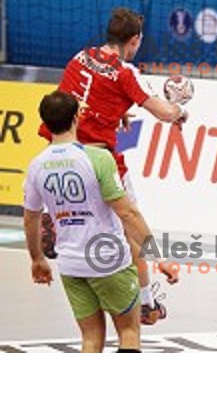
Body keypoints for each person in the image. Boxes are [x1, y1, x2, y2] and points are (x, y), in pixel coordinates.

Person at [38, 7, 183, 324]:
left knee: (87, 226)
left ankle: (56, 221)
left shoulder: (80, 57)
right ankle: (146, 304)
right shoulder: (126, 72)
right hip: (99, 160)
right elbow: (164, 112)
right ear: (133, 40)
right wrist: (180, 109)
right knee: (130, 226)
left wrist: (116, 111)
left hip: (60, 154)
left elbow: (72, 102)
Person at [24, 91, 161, 352]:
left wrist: (37, 259)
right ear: (77, 117)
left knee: (90, 339)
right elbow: (128, 214)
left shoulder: (37, 166)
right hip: (108, 260)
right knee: (129, 332)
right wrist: (157, 256)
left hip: (71, 263)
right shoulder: (97, 158)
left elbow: (31, 219)